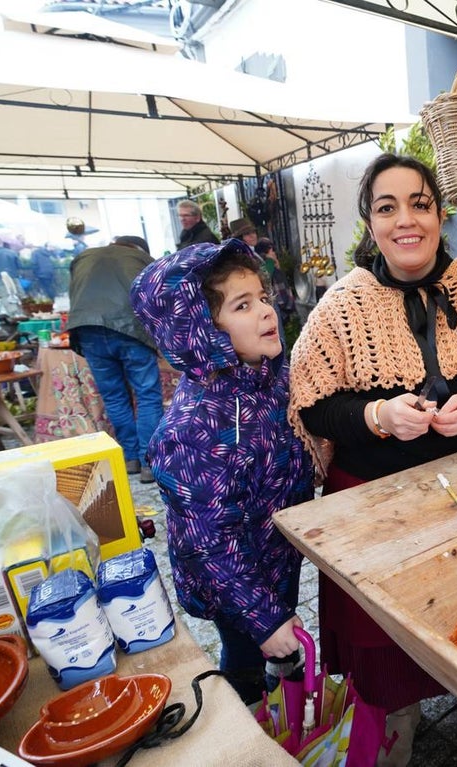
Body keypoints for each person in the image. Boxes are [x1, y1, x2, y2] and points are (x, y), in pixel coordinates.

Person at [288, 154, 457, 766]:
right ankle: (394, 721)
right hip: (376, 508)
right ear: (369, 222)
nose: (406, 220)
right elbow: (314, 406)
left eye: (419, 203)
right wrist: (378, 417)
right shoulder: (340, 307)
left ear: (439, 213)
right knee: (385, 635)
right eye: (387, 207)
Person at [130, 238, 315, 704]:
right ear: (202, 330)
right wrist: (264, 617)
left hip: (274, 554)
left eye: (264, 298)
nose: (267, 312)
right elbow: (209, 539)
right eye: (243, 305)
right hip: (228, 583)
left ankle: (279, 682)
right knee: (247, 651)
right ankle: (246, 712)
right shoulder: (193, 429)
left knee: (278, 637)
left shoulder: (272, 378)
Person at [67, 235, 165, 484]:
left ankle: (130, 458)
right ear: (137, 248)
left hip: (87, 328)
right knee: (147, 396)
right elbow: (157, 298)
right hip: (130, 330)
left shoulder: (84, 257)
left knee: (114, 396)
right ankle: (149, 463)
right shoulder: (141, 258)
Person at [253, 237, 295, 324]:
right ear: (269, 250)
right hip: (278, 303)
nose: (274, 252)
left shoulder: (265, 263)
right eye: (272, 250)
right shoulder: (269, 262)